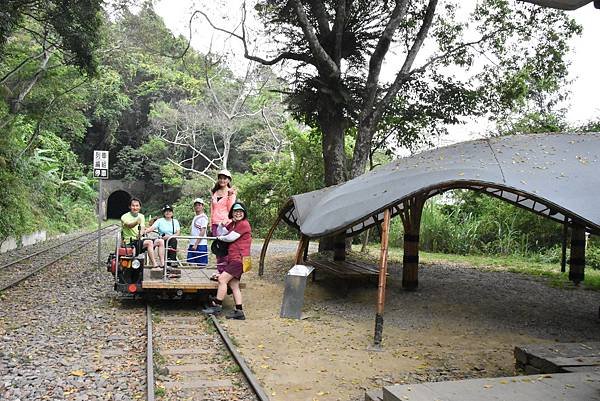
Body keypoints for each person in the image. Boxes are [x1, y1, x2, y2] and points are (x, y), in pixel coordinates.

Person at [202, 202, 251, 320]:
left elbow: (229, 237)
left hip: (239, 259)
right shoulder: (234, 224)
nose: (238, 213)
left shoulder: (244, 224)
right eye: (235, 211)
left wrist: (219, 238)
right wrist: (220, 225)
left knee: (222, 279)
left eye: (240, 211)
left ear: (244, 213)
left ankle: (217, 306)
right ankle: (239, 311)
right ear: (232, 213)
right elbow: (221, 232)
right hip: (237, 259)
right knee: (234, 285)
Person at [120, 197, 160, 268]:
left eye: (137, 206)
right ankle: (154, 264)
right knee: (149, 242)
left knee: (158, 241)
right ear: (129, 207)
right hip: (129, 241)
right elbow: (129, 225)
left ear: (140, 207)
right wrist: (136, 222)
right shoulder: (124, 216)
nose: (135, 208)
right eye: (133, 205)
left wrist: (140, 234)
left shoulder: (141, 216)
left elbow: (142, 227)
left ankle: (158, 264)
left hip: (139, 240)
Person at [210, 169, 236, 272]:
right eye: (220, 178)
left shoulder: (231, 193)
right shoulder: (215, 192)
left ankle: (225, 272)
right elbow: (212, 208)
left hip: (226, 223)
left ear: (228, 180)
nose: (222, 180)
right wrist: (210, 222)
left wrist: (229, 196)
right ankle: (219, 270)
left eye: (224, 178)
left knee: (225, 248)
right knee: (217, 248)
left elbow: (231, 210)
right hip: (215, 223)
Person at [187, 198, 209, 266]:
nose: (197, 206)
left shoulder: (203, 217)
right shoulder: (196, 216)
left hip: (200, 244)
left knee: (201, 265)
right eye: (196, 205)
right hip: (192, 243)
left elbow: (203, 231)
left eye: (199, 205)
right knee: (191, 263)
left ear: (202, 206)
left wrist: (196, 244)